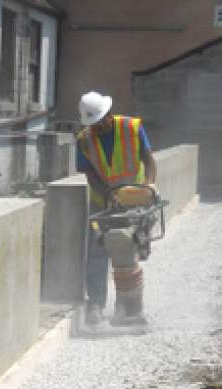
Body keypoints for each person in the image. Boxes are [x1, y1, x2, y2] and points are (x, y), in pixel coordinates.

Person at [76, 91, 159, 326]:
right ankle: (96, 304)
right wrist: (108, 194)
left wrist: (148, 185)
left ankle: (129, 307)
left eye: (99, 123)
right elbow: (90, 173)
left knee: (125, 249)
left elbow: (148, 158)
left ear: (109, 116)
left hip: (134, 199)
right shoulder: (84, 138)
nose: (96, 129)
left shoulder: (131, 128)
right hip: (102, 201)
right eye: (92, 125)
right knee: (98, 251)